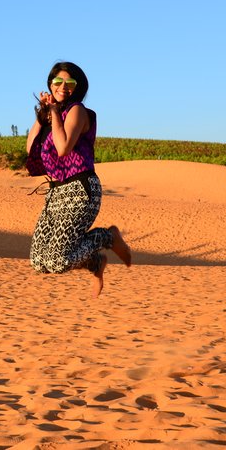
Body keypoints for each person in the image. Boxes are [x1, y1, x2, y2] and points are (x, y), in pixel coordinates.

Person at [26, 62, 131, 297]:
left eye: (70, 83)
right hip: (56, 193)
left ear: (78, 87)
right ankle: (95, 263)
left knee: (58, 261)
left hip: (79, 190)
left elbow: (63, 148)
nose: (63, 87)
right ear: (50, 85)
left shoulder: (76, 111)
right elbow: (30, 147)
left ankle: (108, 237)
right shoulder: (51, 116)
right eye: (58, 82)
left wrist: (54, 112)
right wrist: (43, 113)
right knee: (38, 260)